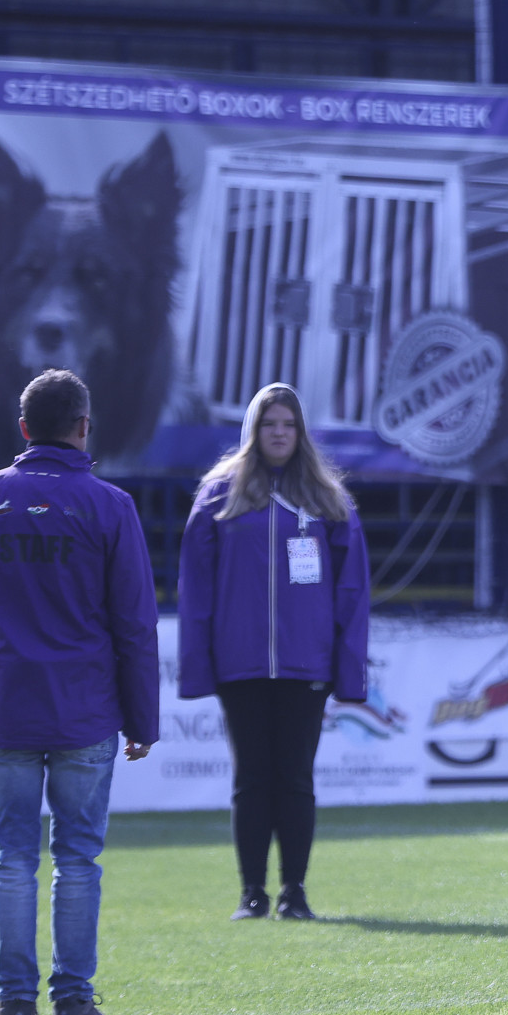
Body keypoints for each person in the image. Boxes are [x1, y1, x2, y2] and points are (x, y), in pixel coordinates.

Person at [0, 368, 160, 1015]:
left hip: (3, 706)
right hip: (84, 711)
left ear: (24, 427)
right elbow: (134, 624)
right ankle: (73, 1000)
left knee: (12, 858)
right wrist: (142, 718)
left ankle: (13, 1001)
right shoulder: (111, 505)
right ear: (84, 426)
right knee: (77, 860)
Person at [178, 382, 370, 922]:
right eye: (269, 424)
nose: (279, 434)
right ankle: (251, 894)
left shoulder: (328, 498)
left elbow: (352, 591)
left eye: (288, 425)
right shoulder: (219, 493)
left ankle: (295, 893)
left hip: (306, 664)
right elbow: (196, 586)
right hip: (239, 663)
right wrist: (199, 665)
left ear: (301, 432)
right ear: (253, 430)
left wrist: (348, 670)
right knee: (251, 779)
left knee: (296, 779)